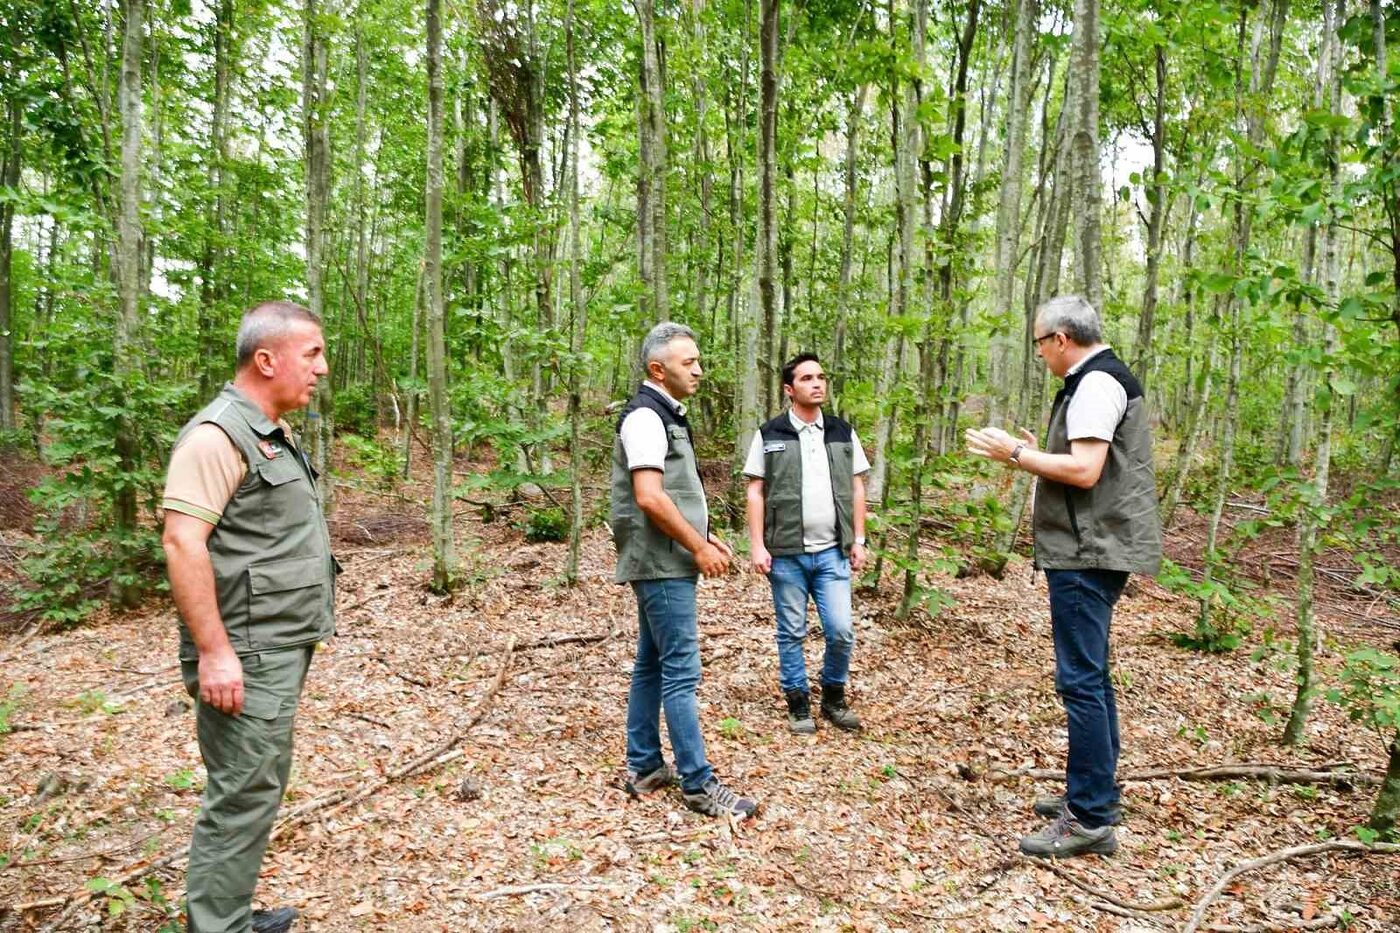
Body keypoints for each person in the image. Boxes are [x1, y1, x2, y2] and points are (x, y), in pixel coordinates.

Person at [162, 300, 337, 932]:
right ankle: (218, 926)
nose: (321, 367)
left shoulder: (268, 430)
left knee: (256, 783)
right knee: (242, 790)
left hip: (275, 642)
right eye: (311, 353)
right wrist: (214, 651)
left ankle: (225, 913)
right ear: (266, 360)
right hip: (245, 648)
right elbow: (183, 543)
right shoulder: (216, 436)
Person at [966, 295, 1161, 859]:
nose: (1040, 354)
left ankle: (1092, 818)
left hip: (1088, 550)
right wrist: (1035, 449)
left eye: (1039, 343)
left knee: (1080, 681)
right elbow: (1083, 461)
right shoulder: (1095, 381)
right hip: (1091, 545)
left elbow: (1084, 470)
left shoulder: (1096, 383)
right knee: (1091, 678)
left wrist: (1014, 455)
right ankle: (1096, 792)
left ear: (1061, 339)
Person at [611, 321, 757, 819]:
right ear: (658, 368)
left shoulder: (664, 415)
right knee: (680, 672)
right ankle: (698, 784)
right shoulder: (646, 418)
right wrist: (697, 547)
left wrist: (705, 531)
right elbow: (649, 496)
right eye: (687, 362)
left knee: (651, 662)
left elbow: (672, 492)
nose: (698, 370)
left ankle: (646, 765)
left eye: (697, 360)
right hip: (662, 563)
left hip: (665, 558)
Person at [743, 353, 870, 734]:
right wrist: (757, 545)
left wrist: (859, 539)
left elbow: (856, 485)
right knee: (791, 630)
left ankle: (833, 696)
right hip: (786, 554)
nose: (817, 384)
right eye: (807, 378)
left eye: (821, 377)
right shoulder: (770, 434)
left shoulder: (841, 432)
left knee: (841, 630)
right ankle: (798, 703)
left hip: (832, 552)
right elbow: (755, 490)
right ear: (789, 389)